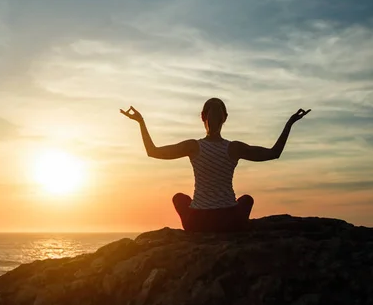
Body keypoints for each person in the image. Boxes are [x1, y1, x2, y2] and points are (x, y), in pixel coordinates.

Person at [120, 98, 310, 233]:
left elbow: (153, 151)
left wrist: (141, 123)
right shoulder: (234, 148)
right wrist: (290, 124)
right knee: (247, 200)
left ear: (203, 117)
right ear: (224, 118)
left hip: (197, 223)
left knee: (179, 198)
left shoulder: (193, 146)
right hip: (231, 221)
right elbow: (273, 153)